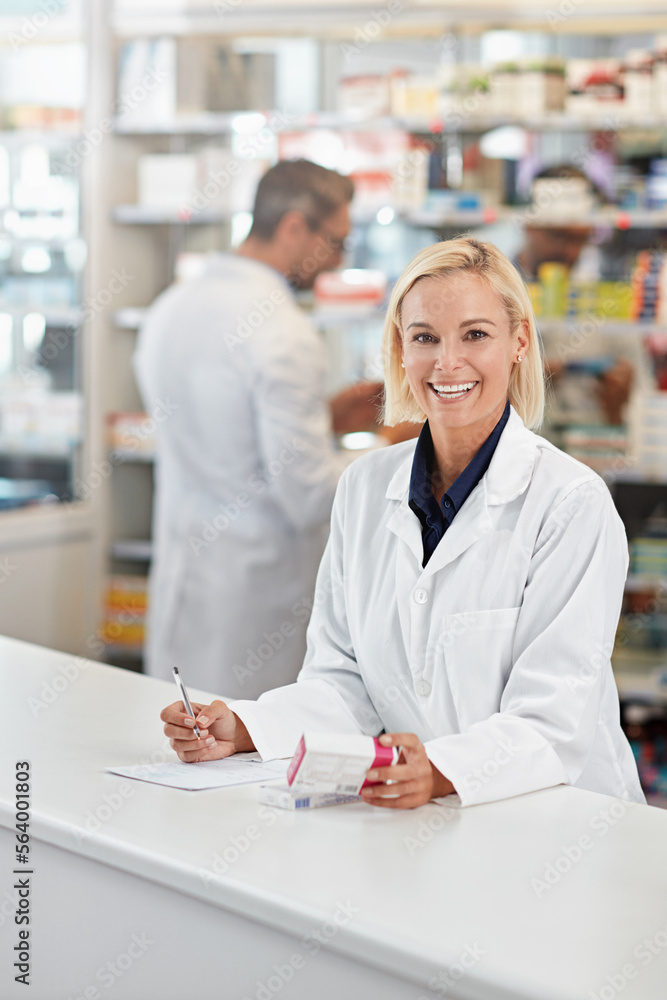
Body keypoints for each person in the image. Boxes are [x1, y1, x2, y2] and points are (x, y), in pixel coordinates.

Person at [160, 236, 645, 810]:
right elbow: (343, 682)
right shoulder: (364, 488)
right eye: (424, 338)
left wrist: (438, 770)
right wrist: (247, 728)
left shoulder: (570, 505)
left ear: (518, 342)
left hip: (560, 823)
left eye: (476, 335)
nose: (447, 362)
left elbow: (553, 722)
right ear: (400, 349)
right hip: (421, 822)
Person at [134, 159, 381, 698]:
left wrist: (325, 419)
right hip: (255, 604)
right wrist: (392, 447)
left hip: (183, 576)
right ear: (295, 227)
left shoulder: (170, 308)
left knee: (177, 747)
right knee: (248, 763)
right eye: (336, 242)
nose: (336, 262)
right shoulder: (282, 330)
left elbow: (221, 435)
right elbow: (310, 496)